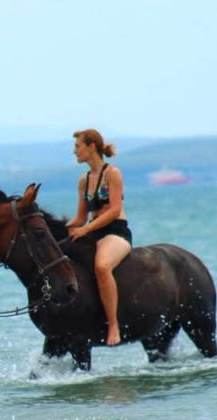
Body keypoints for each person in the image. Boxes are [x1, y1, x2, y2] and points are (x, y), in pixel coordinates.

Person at [66, 129, 132, 346]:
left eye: (78, 146)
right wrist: (59, 230)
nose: (74, 151)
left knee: (102, 266)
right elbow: (80, 217)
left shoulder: (112, 173)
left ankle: (113, 325)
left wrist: (85, 230)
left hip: (116, 232)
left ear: (91, 146)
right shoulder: (83, 181)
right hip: (95, 231)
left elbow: (114, 210)